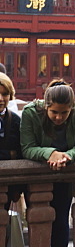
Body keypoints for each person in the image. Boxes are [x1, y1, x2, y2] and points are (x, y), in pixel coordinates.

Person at [20, 83, 75, 247]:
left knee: (61, 223)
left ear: (72, 109)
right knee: (38, 222)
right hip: (37, 179)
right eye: (54, 112)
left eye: (64, 113)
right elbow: (27, 147)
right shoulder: (31, 113)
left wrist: (67, 156)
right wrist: (50, 153)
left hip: (64, 176)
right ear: (46, 106)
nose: (59, 117)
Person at [0, 73, 24, 211]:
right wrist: (9, 154)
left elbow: (21, 154)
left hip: (8, 185)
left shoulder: (15, 121)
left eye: (5, 94)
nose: (1, 99)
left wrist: (17, 188)